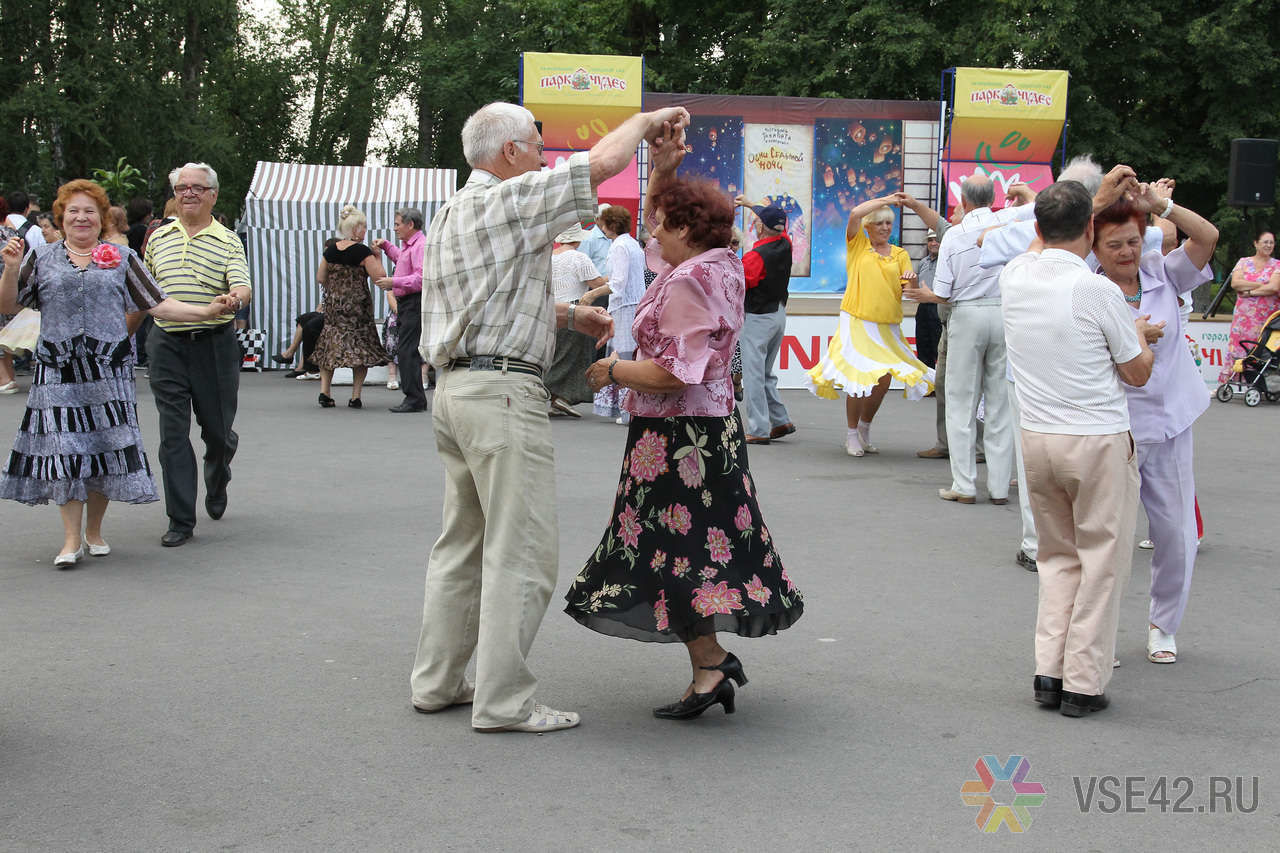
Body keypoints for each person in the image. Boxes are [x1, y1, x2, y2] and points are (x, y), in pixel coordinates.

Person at [409, 101, 682, 734]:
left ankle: (438, 681)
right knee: (522, 551)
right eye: (536, 143)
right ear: (509, 153)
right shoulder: (508, 199)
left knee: (462, 547)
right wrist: (647, 122)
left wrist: (565, 316)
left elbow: (481, 298)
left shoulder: (455, 209)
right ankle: (504, 701)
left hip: (456, 391)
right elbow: (605, 161)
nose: (544, 155)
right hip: (502, 394)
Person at [567, 123, 803, 720]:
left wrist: (613, 372)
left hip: (680, 442)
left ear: (683, 229)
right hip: (700, 435)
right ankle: (709, 666)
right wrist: (665, 168)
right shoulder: (717, 263)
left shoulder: (691, 279)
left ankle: (711, 664)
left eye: (660, 222)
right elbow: (661, 228)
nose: (650, 229)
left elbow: (677, 373)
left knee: (669, 552)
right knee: (681, 555)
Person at [0, 180, 234, 566]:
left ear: (101, 218)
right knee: (66, 450)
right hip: (59, 372)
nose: (81, 217)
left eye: (89, 211)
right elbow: (9, 304)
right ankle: (71, 540)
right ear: (61, 217)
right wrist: (10, 270)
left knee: (102, 449)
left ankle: (94, 530)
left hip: (107, 371)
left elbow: (158, 304)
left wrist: (207, 312)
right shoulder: (42, 259)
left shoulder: (120, 258)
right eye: (73, 211)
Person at [1000, 180, 1157, 717]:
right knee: (1101, 563)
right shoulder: (1098, 290)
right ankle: (1083, 682)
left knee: (1057, 559)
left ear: (1038, 228)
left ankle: (1049, 670)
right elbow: (1136, 372)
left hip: (1038, 437)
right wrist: (1138, 332)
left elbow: (1043, 238)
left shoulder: (1015, 275)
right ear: (1091, 230)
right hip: (1095, 438)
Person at [1091, 182, 1217, 664]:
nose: (1124, 251)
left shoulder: (1164, 273)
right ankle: (1097, 634)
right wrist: (1101, 201)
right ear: (1095, 246)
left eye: (1131, 240)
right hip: (1112, 428)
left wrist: (1161, 205)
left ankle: (1163, 624)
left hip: (1169, 424)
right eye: (1113, 243)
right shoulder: (1087, 285)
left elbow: (1206, 237)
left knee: (1176, 535)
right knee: (1107, 541)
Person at [143, 162, 252, 548]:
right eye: (182, 187)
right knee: (173, 433)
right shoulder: (158, 237)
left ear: (213, 195)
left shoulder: (227, 240)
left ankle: (219, 469)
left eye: (197, 188)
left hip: (214, 346)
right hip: (167, 344)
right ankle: (180, 519)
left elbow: (241, 284)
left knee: (217, 432)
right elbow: (146, 292)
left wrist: (233, 299)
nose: (188, 193)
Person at [905, 176, 1026, 502]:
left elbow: (942, 293)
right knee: (1000, 401)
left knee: (960, 400)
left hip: (966, 314)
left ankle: (964, 484)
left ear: (965, 201)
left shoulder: (956, 236)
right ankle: (999, 486)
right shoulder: (1009, 221)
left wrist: (921, 293)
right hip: (1003, 311)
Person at [806, 192, 935, 457]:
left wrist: (911, 281)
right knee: (859, 378)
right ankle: (851, 433)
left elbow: (908, 293)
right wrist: (887, 199)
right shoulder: (858, 246)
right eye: (880, 223)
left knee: (884, 380)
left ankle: (864, 428)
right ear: (868, 227)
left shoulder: (899, 254)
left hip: (887, 324)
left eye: (888, 223)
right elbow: (854, 214)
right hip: (857, 321)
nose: (885, 228)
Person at [311, 206, 388, 409]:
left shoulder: (331, 250)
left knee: (330, 345)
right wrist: (378, 257)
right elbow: (379, 277)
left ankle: (324, 392)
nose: (365, 231)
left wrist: (336, 286)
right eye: (363, 227)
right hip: (357, 307)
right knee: (360, 346)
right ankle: (355, 396)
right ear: (356, 229)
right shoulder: (363, 252)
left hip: (334, 306)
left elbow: (320, 278)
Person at [732, 196, 795, 444]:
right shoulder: (786, 242)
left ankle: (758, 428)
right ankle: (780, 420)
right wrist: (751, 205)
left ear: (760, 226)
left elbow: (740, 285)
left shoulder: (754, 256)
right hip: (778, 313)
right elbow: (771, 217)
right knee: (766, 373)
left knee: (754, 375)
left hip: (758, 317)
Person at [592, 204, 646, 423]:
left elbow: (618, 283)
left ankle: (627, 408)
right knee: (630, 354)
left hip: (624, 306)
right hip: (634, 304)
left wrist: (591, 294)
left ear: (611, 225)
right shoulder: (632, 244)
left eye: (604, 224)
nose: (602, 228)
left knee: (622, 357)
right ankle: (629, 405)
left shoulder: (618, 247)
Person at [546, 223, 606, 416]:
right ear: (577, 238)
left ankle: (558, 398)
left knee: (556, 354)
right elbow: (596, 283)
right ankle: (560, 395)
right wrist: (613, 278)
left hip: (551, 310)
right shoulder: (579, 258)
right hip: (574, 310)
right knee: (576, 356)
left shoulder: (549, 258)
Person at [372, 208, 427, 413]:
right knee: (407, 350)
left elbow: (421, 278)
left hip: (414, 302)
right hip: (408, 302)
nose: (395, 228)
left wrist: (393, 282)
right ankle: (415, 397)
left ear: (410, 225)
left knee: (407, 350)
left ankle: (414, 398)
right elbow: (402, 262)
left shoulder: (420, 246)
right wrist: (387, 246)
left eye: (397, 224)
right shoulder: (409, 246)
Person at [1218, 230, 1279, 383]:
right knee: (1238, 347)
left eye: (1271, 242)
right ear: (1256, 243)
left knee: (1260, 348)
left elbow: (1273, 288)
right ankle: (1231, 381)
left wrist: (1250, 291)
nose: (1269, 245)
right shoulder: (1243, 262)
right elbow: (1235, 283)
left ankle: (1258, 383)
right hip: (1243, 318)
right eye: (1265, 242)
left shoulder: (1277, 265)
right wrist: (1262, 284)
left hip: (1265, 318)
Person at [580, 202, 613, 278]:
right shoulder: (589, 239)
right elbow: (582, 267)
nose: (610, 222)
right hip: (595, 285)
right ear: (597, 219)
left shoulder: (614, 237)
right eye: (607, 219)